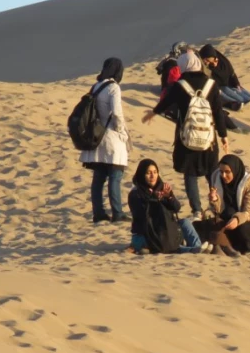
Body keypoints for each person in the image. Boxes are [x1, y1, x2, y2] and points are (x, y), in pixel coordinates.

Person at [142, 51, 229, 222]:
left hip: (186, 138)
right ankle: (216, 207)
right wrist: (224, 135)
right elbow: (218, 112)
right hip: (209, 139)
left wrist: (153, 113)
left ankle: (197, 210)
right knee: (212, 174)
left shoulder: (180, 85)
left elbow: (166, 103)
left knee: (190, 174)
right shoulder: (211, 84)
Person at [80, 57, 132, 222]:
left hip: (96, 136)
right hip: (111, 137)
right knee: (115, 175)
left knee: (99, 177)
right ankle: (117, 213)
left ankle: (99, 213)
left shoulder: (96, 86)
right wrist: (122, 131)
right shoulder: (113, 87)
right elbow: (116, 113)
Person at [128, 159, 211, 254]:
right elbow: (141, 215)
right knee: (167, 240)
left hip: (166, 227)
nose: (152, 176)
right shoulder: (135, 193)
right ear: (142, 175)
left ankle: (197, 246)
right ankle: (193, 250)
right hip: (146, 233)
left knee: (185, 222)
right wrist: (153, 199)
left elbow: (176, 208)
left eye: (155, 172)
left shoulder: (163, 188)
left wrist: (169, 197)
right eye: (148, 173)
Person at [194, 154, 250, 256]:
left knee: (245, 229)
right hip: (225, 220)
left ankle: (241, 249)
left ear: (235, 170)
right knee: (201, 226)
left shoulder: (249, 182)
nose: (223, 175)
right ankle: (223, 247)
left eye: (227, 172)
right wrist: (215, 201)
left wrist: (237, 220)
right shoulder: (216, 178)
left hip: (245, 221)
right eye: (221, 172)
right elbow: (216, 211)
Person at [199, 44, 250, 111]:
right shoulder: (204, 68)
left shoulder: (223, 62)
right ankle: (248, 102)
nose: (214, 63)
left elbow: (231, 73)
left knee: (240, 89)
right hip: (220, 87)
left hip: (229, 83)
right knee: (229, 91)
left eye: (215, 60)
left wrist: (236, 83)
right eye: (210, 62)